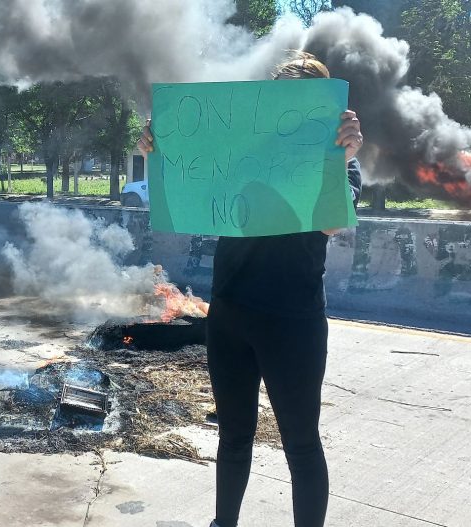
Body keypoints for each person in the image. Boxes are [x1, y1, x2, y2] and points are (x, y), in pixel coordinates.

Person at [137, 51, 363, 527]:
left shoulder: (342, 163)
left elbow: (330, 226)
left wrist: (341, 161)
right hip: (231, 314)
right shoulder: (241, 154)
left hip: (293, 321)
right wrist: (159, 154)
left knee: (301, 443)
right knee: (233, 437)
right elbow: (193, 183)